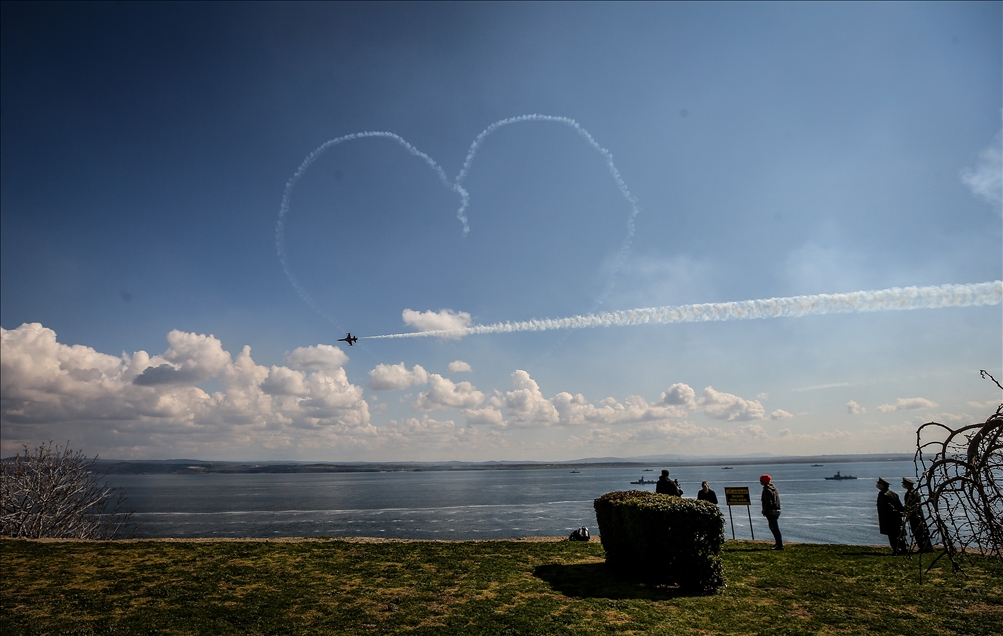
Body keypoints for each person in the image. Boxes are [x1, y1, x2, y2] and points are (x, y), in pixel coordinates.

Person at [876, 477, 907, 555]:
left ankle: (897, 550)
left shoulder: (882, 494)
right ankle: (903, 549)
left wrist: (896, 512)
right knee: (899, 534)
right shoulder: (893, 494)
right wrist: (901, 513)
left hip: (889, 518)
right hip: (897, 518)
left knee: (892, 536)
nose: (877, 485)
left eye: (879, 484)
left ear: (883, 485)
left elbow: (888, 507)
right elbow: (900, 506)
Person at [902, 477, 932, 553]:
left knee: (920, 531)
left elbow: (916, 505)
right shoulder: (910, 492)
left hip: (916, 516)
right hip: (913, 515)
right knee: (917, 531)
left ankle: (925, 547)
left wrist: (909, 510)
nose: (904, 485)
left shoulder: (913, 493)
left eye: (905, 484)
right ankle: (923, 546)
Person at [760, 474, 783, 550]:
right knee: (774, 528)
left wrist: (764, 510)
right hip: (776, 510)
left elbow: (768, 502)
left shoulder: (767, 490)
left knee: (774, 528)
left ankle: (779, 545)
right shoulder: (773, 488)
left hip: (771, 511)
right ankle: (778, 543)